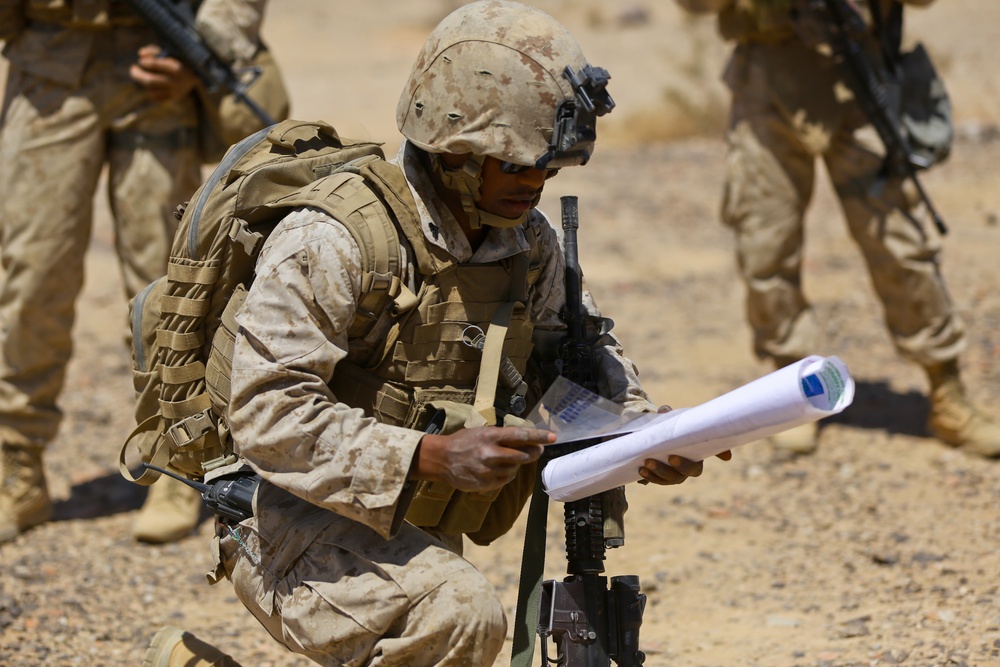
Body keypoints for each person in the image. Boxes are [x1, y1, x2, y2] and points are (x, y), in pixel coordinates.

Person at [141, 2, 729, 665]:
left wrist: (645, 435)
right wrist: (431, 456)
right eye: (513, 165)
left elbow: (580, 352)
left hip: (397, 514)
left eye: (547, 168)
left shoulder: (522, 243)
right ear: (451, 148)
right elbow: (266, 412)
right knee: (459, 617)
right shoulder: (336, 239)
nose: (534, 184)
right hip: (279, 510)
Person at [0, 0, 279, 545]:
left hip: (156, 65)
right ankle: (16, 463)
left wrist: (205, 51)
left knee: (169, 285)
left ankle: (180, 460)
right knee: (31, 274)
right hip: (48, 65)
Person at [674, 0, 1000, 455]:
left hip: (856, 78)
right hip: (767, 82)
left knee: (900, 242)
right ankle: (790, 394)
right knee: (766, 242)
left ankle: (947, 393)